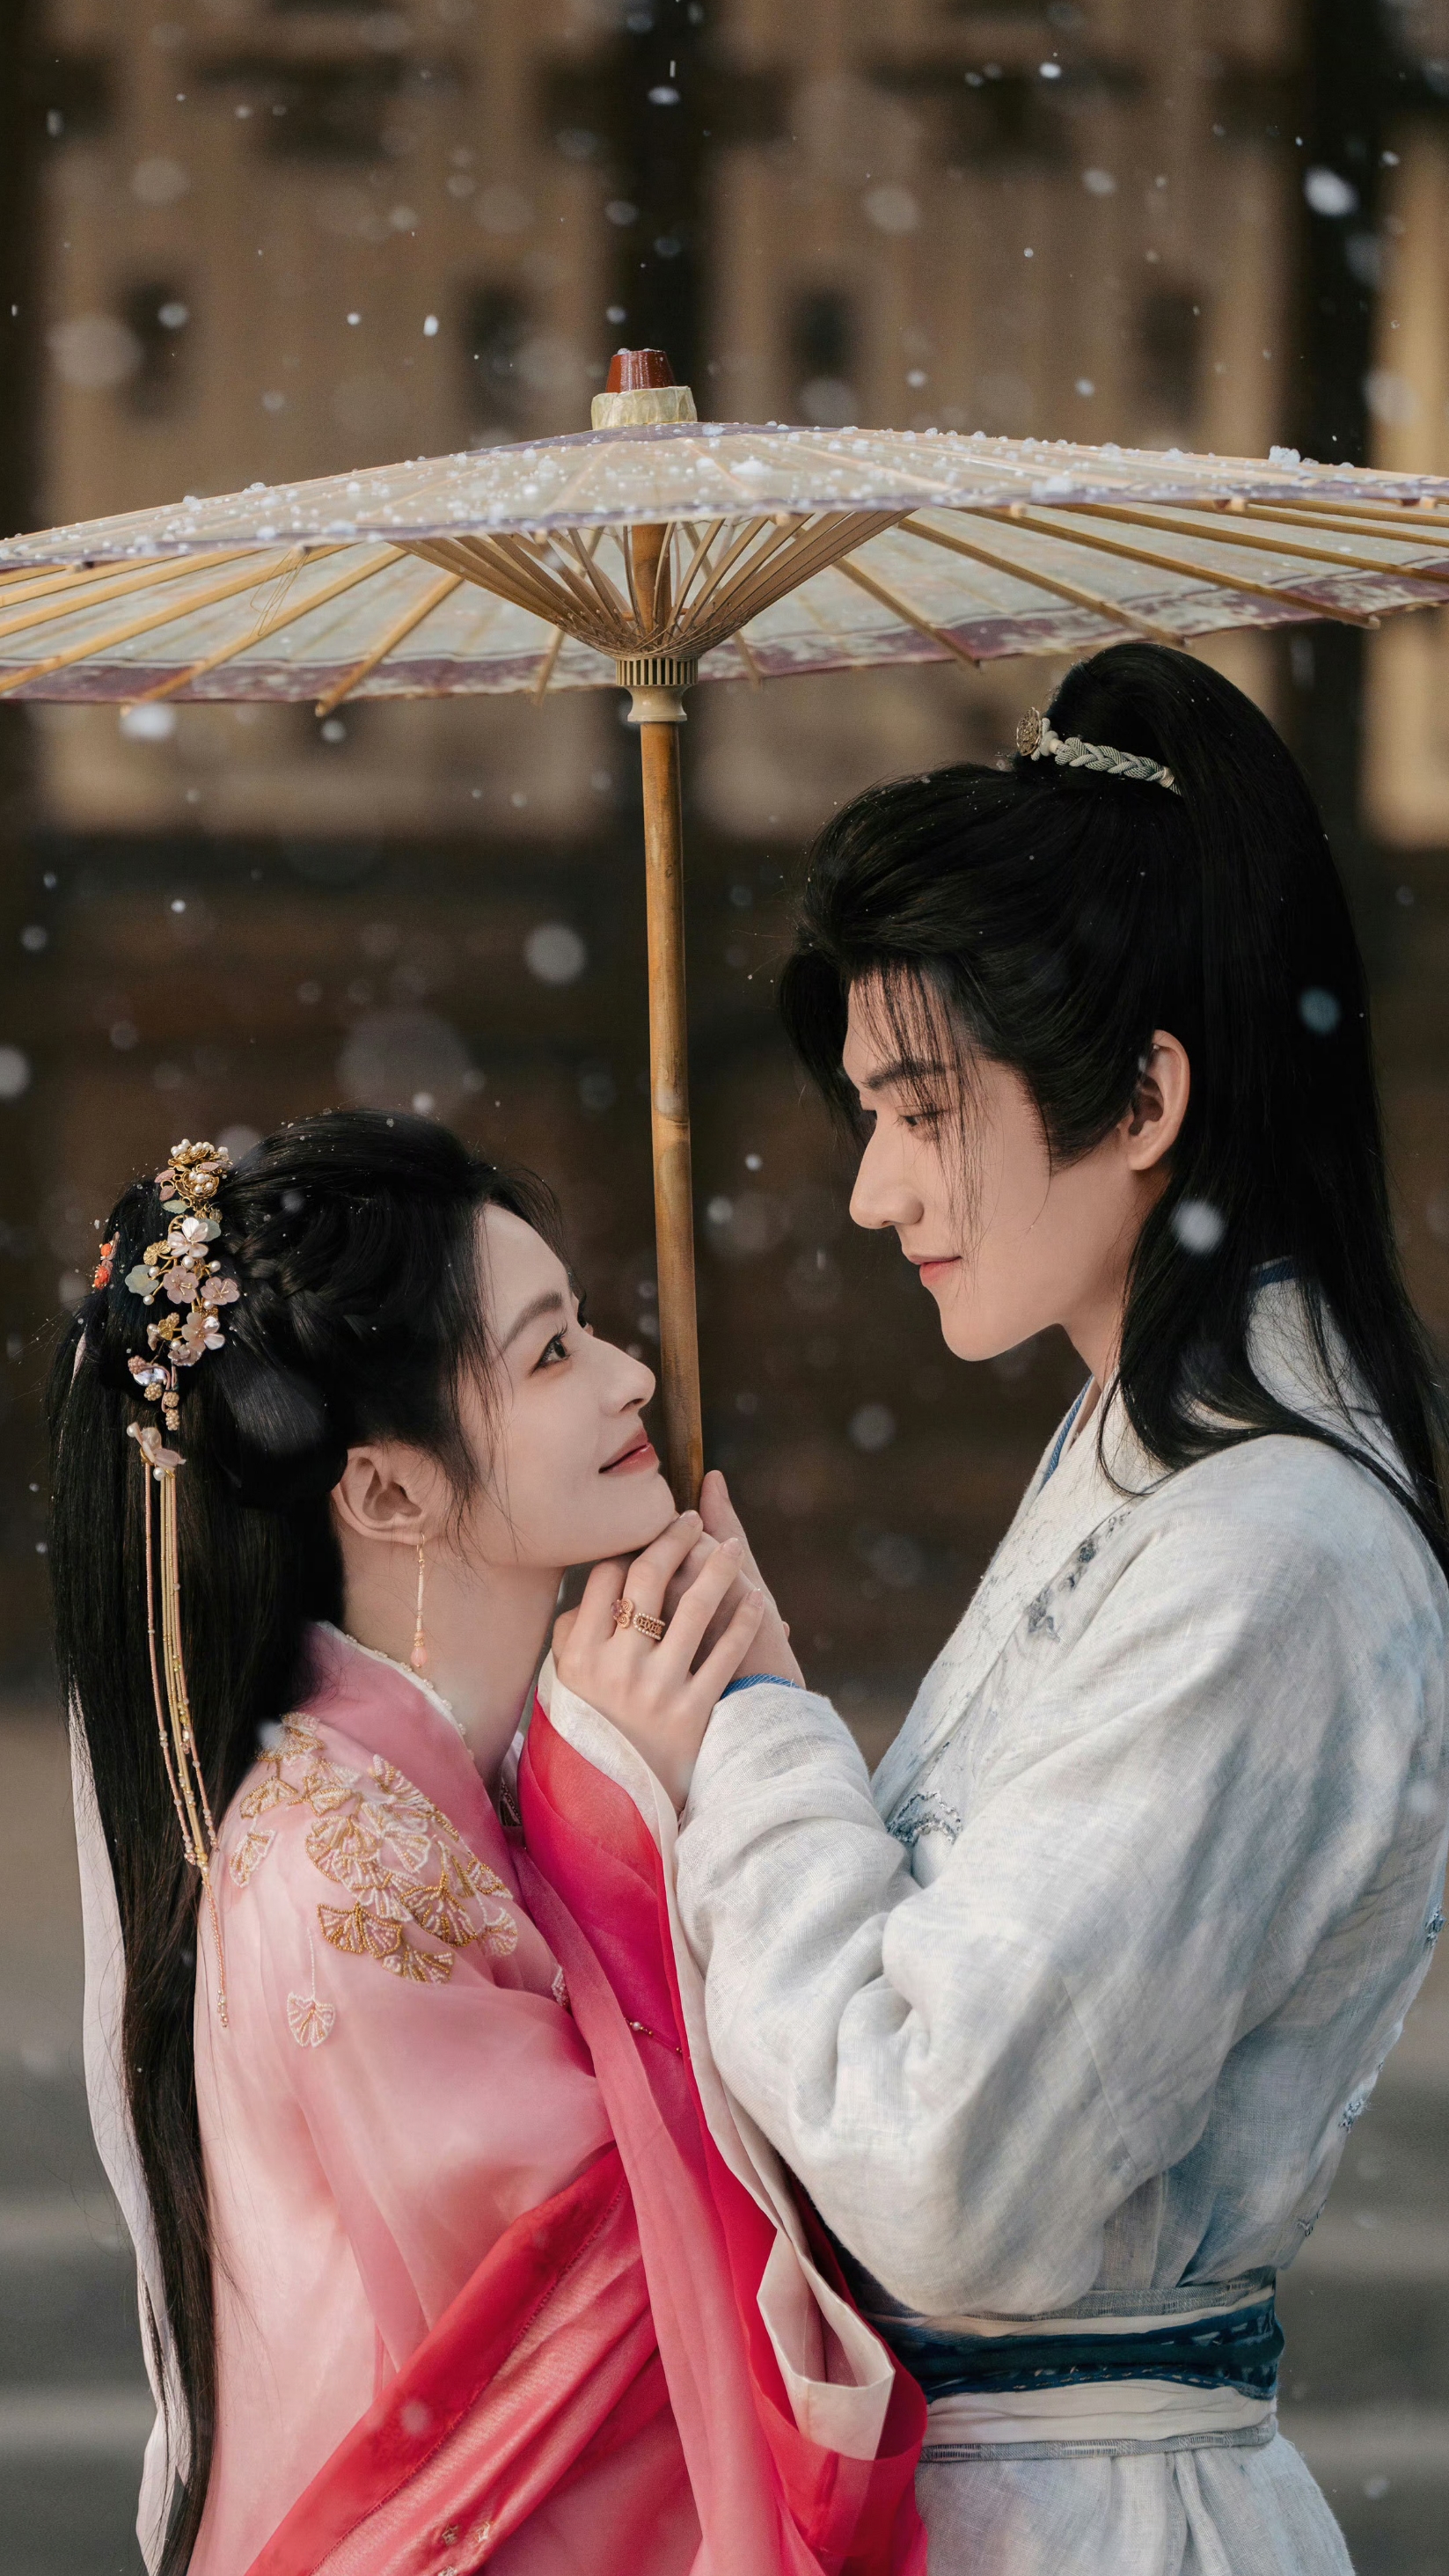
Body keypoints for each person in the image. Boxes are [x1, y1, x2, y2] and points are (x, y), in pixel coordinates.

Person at [548, 643, 1449, 2574]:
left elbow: (945, 2170)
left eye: (919, 1108)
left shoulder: (1268, 1557)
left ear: (1144, 1096)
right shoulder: (1142, 1457)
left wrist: (751, 1739)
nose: (872, 1192)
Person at [52, 1110, 924, 2576]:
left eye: (585, 1328)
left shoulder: (427, 1795)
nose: (631, 1375)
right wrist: (615, 1830)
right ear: (389, 1491)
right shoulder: (341, 1862)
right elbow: (599, 2314)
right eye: (553, 1353)